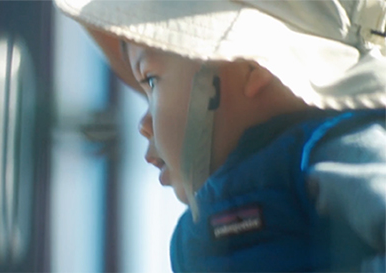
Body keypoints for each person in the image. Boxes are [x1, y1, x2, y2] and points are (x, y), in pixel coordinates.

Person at [55, 0, 386, 272]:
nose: (143, 122)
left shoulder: (328, 152)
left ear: (253, 67)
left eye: (151, 80)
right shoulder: (192, 239)